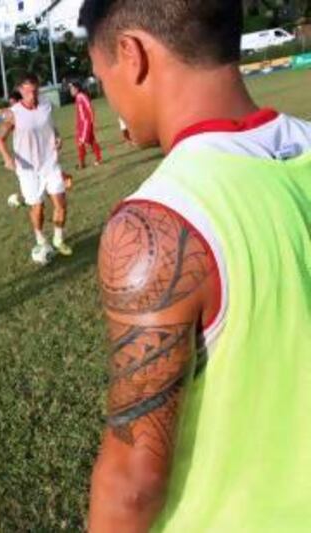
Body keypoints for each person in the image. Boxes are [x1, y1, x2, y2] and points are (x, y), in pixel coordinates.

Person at [81, 0, 311, 531]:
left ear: (131, 54)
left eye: (101, 77)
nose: (106, 96)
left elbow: (133, 483)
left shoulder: (158, 225)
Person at [0, 73, 73, 264]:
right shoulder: (14, 113)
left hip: (50, 163)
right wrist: (7, 158)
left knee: (61, 204)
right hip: (28, 169)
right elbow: (0, 139)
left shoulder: (46, 104)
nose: (33, 95)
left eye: (36, 90)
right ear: (21, 91)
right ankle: (40, 239)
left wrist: (58, 137)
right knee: (38, 208)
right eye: (29, 91)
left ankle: (58, 239)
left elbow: (52, 127)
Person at [69, 80, 103, 168]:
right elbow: (80, 112)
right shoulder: (78, 97)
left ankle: (82, 163)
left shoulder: (81, 96)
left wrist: (92, 121)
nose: (71, 91)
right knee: (91, 141)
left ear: (77, 89)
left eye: (72, 88)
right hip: (82, 124)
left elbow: (89, 107)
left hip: (86, 123)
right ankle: (98, 158)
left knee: (80, 142)